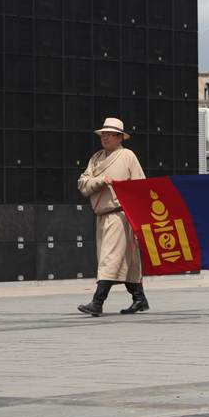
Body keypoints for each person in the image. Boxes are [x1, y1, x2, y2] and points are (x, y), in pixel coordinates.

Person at [76, 117, 148, 317]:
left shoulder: (127, 156)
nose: (105, 137)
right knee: (124, 261)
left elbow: (140, 187)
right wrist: (100, 181)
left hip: (120, 214)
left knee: (110, 258)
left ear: (119, 137)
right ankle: (139, 298)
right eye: (104, 134)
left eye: (110, 134)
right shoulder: (96, 158)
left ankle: (97, 302)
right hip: (102, 215)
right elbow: (83, 184)